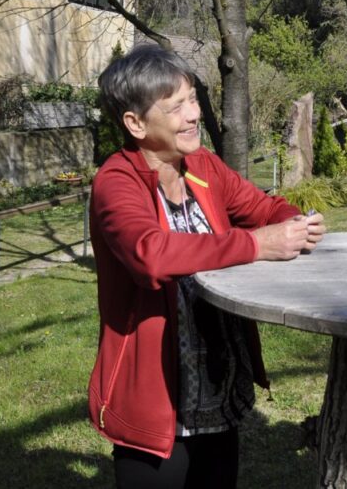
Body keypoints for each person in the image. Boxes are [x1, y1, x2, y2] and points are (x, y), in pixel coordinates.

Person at [86, 44, 326, 488]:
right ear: (136, 123)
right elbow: (150, 254)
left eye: (193, 98)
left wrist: (295, 221)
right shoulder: (115, 181)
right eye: (176, 106)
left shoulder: (204, 166)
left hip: (218, 392)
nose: (194, 113)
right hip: (157, 403)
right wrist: (255, 245)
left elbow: (262, 206)